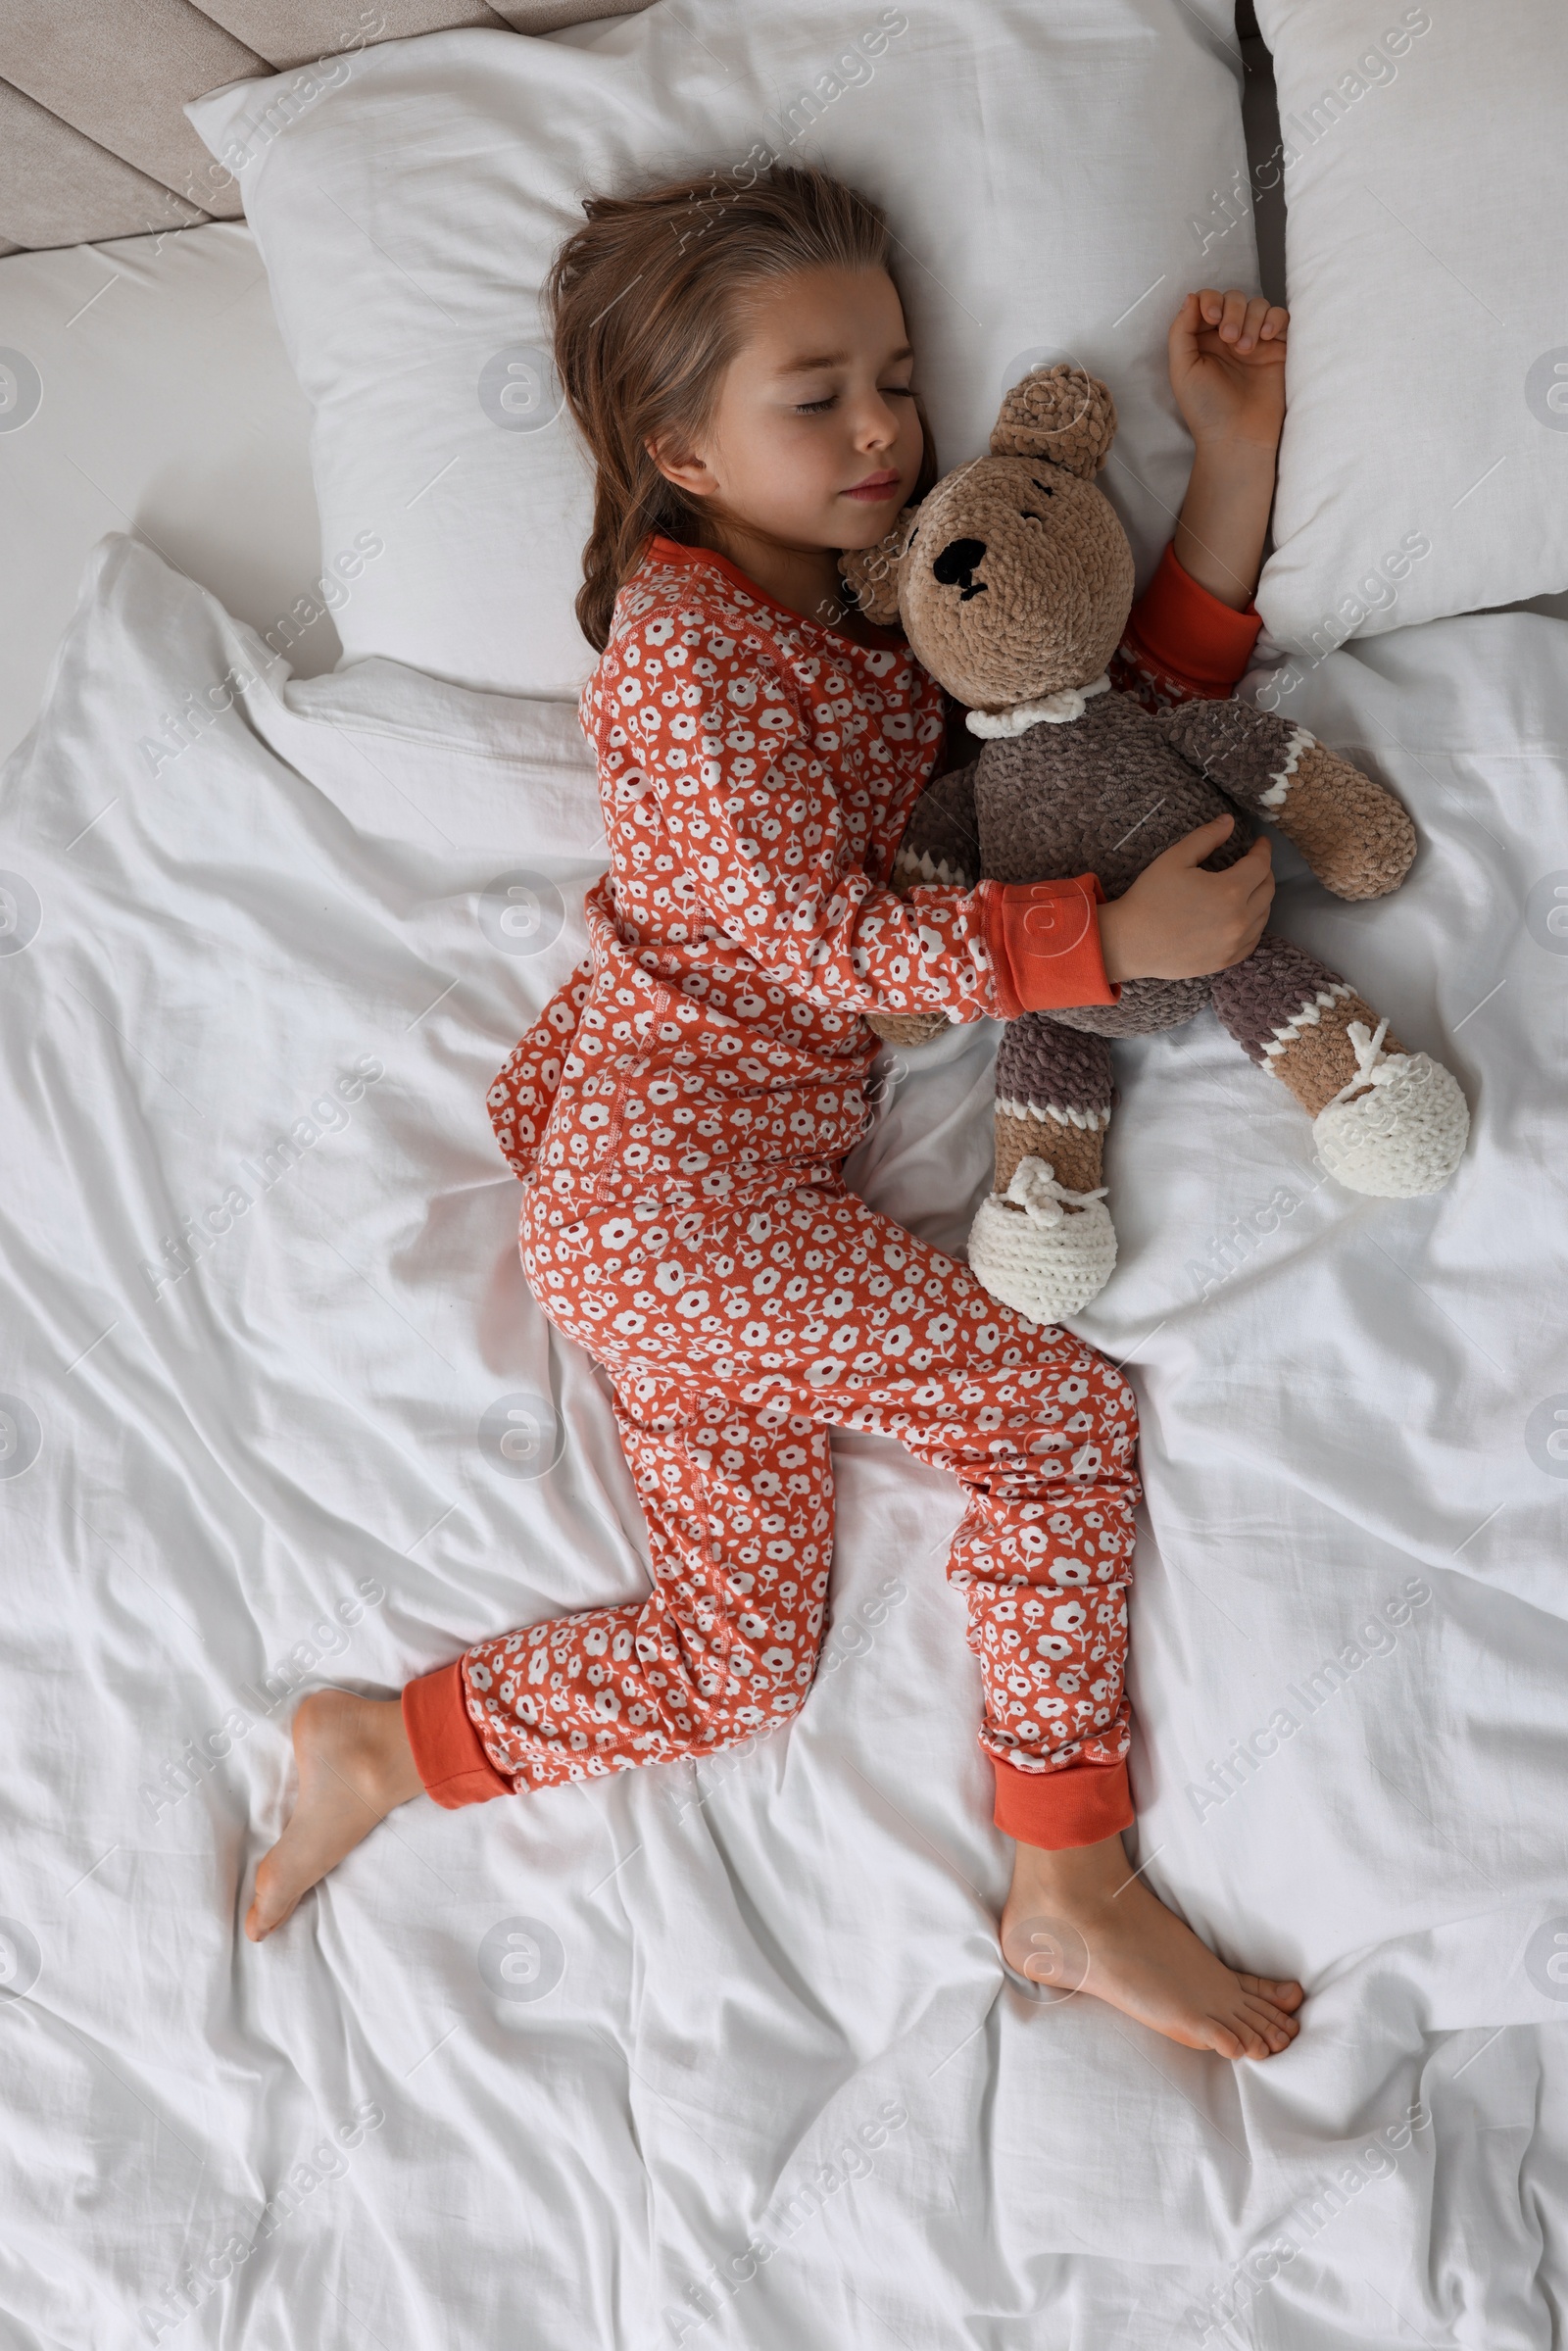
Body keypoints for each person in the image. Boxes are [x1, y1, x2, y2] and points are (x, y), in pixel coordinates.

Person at [246, 164, 1302, 2063]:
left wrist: (1226, 465)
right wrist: (1086, 942)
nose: (887, 428)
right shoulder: (677, 661)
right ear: (681, 449)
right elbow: (819, 937)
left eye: (892, 376)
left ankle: (381, 1746)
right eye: (815, 399)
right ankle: (1065, 1876)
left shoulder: (875, 611)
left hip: (683, 1233)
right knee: (1045, 1419)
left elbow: (1074, 724)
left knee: (730, 1664)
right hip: (669, 1195)